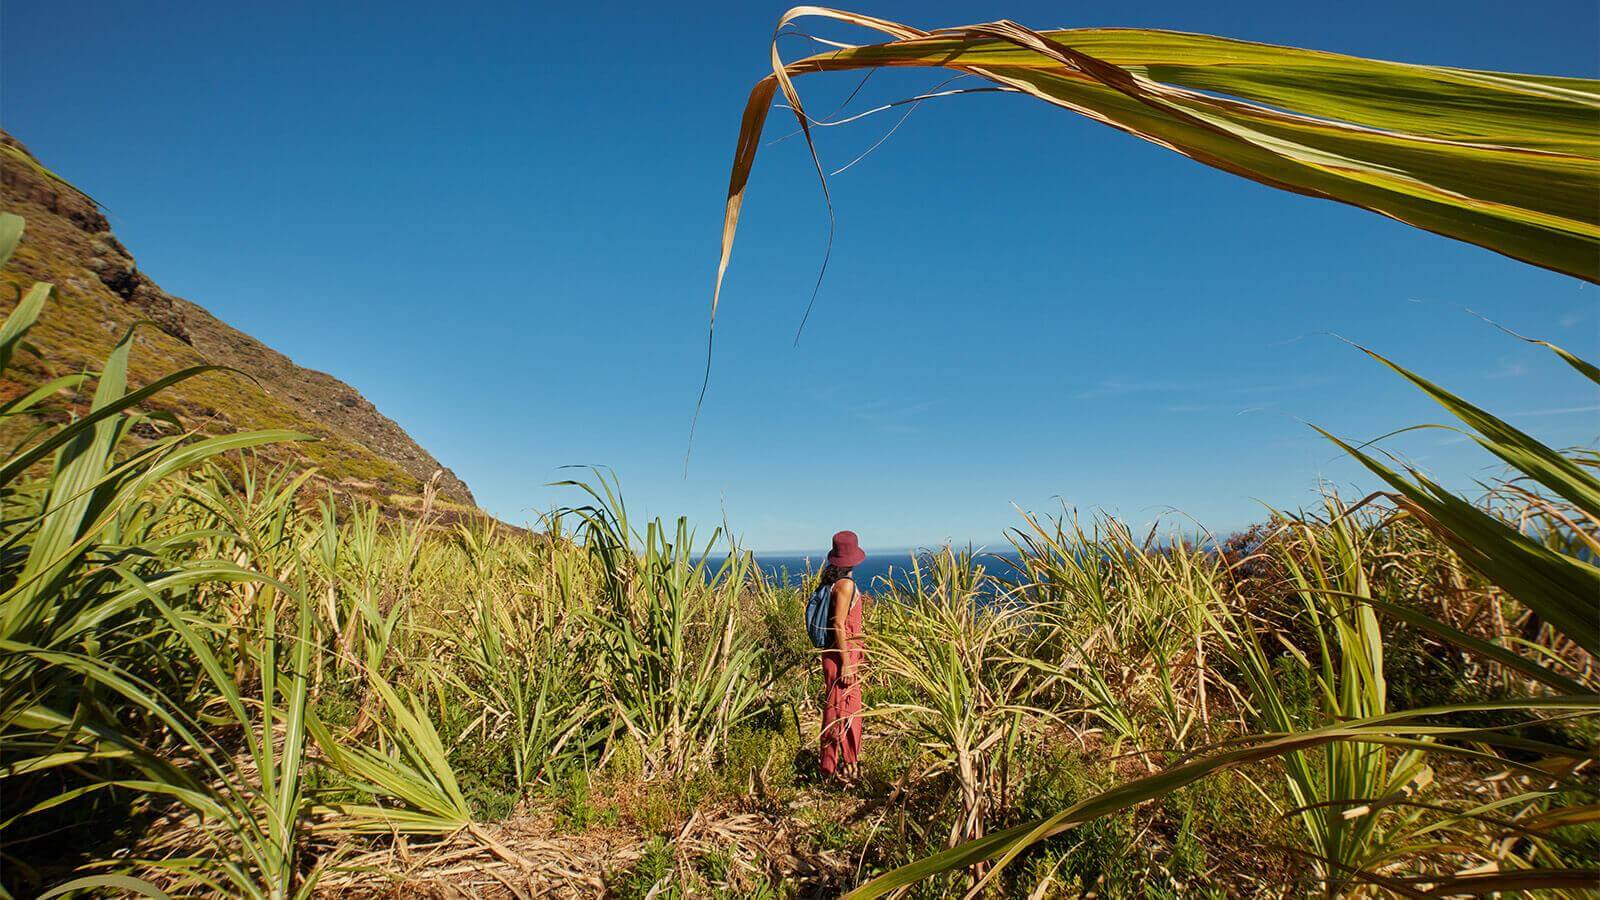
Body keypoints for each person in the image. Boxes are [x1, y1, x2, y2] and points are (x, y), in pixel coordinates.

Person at [817, 530, 866, 783]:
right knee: (844, 714)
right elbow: (838, 624)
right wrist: (848, 663)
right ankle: (841, 770)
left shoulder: (834, 583)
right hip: (841, 659)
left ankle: (835, 768)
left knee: (838, 711)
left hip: (839, 657)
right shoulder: (846, 585)